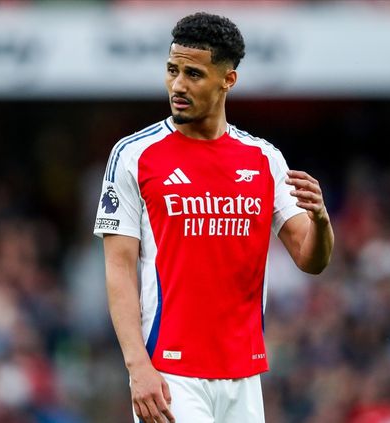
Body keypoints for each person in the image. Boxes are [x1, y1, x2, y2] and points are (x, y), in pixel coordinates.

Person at [94, 12, 334, 423]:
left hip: (244, 375)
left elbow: (311, 260)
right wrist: (138, 367)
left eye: (193, 74)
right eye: (172, 70)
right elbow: (119, 268)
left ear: (228, 80)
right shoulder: (133, 155)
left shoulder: (264, 159)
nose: (178, 85)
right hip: (170, 373)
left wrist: (322, 222)